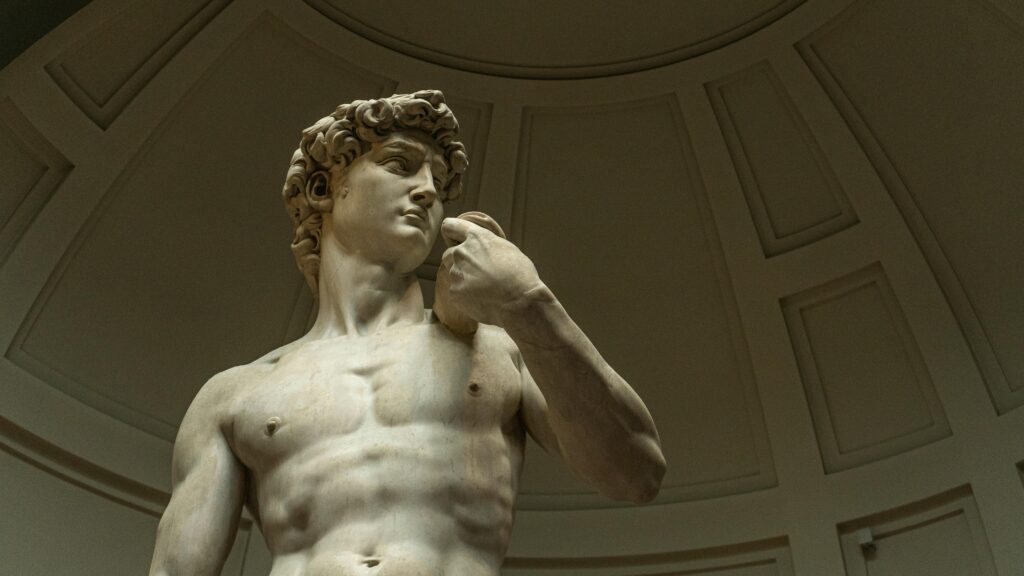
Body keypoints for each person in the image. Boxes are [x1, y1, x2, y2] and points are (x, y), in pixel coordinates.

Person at [149, 90, 665, 576]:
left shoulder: (496, 348)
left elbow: (636, 472)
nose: (426, 191)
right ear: (324, 188)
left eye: (439, 185)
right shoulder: (235, 395)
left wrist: (527, 303)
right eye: (399, 165)